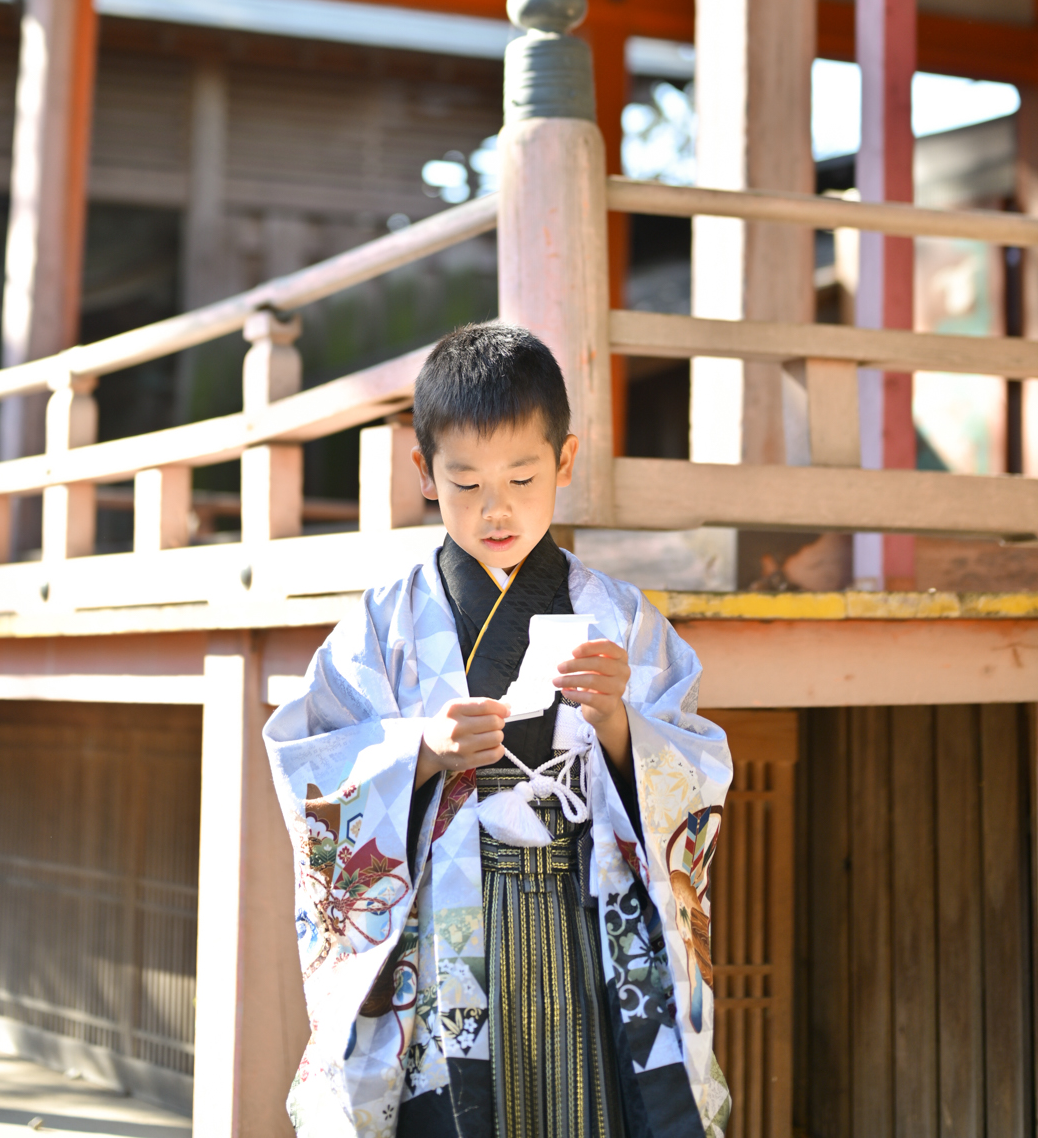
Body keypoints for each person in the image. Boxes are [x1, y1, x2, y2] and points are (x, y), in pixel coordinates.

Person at [265, 322, 733, 1137]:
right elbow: (312, 763)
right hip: (444, 933)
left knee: (581, 1104)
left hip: (578, 921)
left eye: (521, 476)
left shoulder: (619, 618)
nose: (496, 508)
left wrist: (621, 727)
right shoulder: (385, 622)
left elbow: (695, 764)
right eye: (466, 483)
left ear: (565, 460)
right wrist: (418, 752)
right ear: (424, 473)